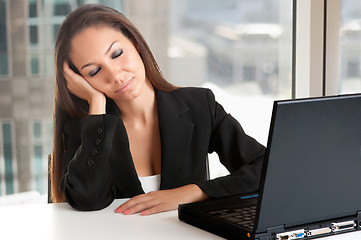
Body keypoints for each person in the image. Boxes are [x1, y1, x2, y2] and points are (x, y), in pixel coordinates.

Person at [51, 4, 265, 215]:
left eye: (116, 54)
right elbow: (87, 200)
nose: (115, 75)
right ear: (80, 80)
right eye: (95, 71)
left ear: (135, 43)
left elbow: (266, 167)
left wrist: (193, 192)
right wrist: (96, 102)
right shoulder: (89, 128)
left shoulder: (199, 105)